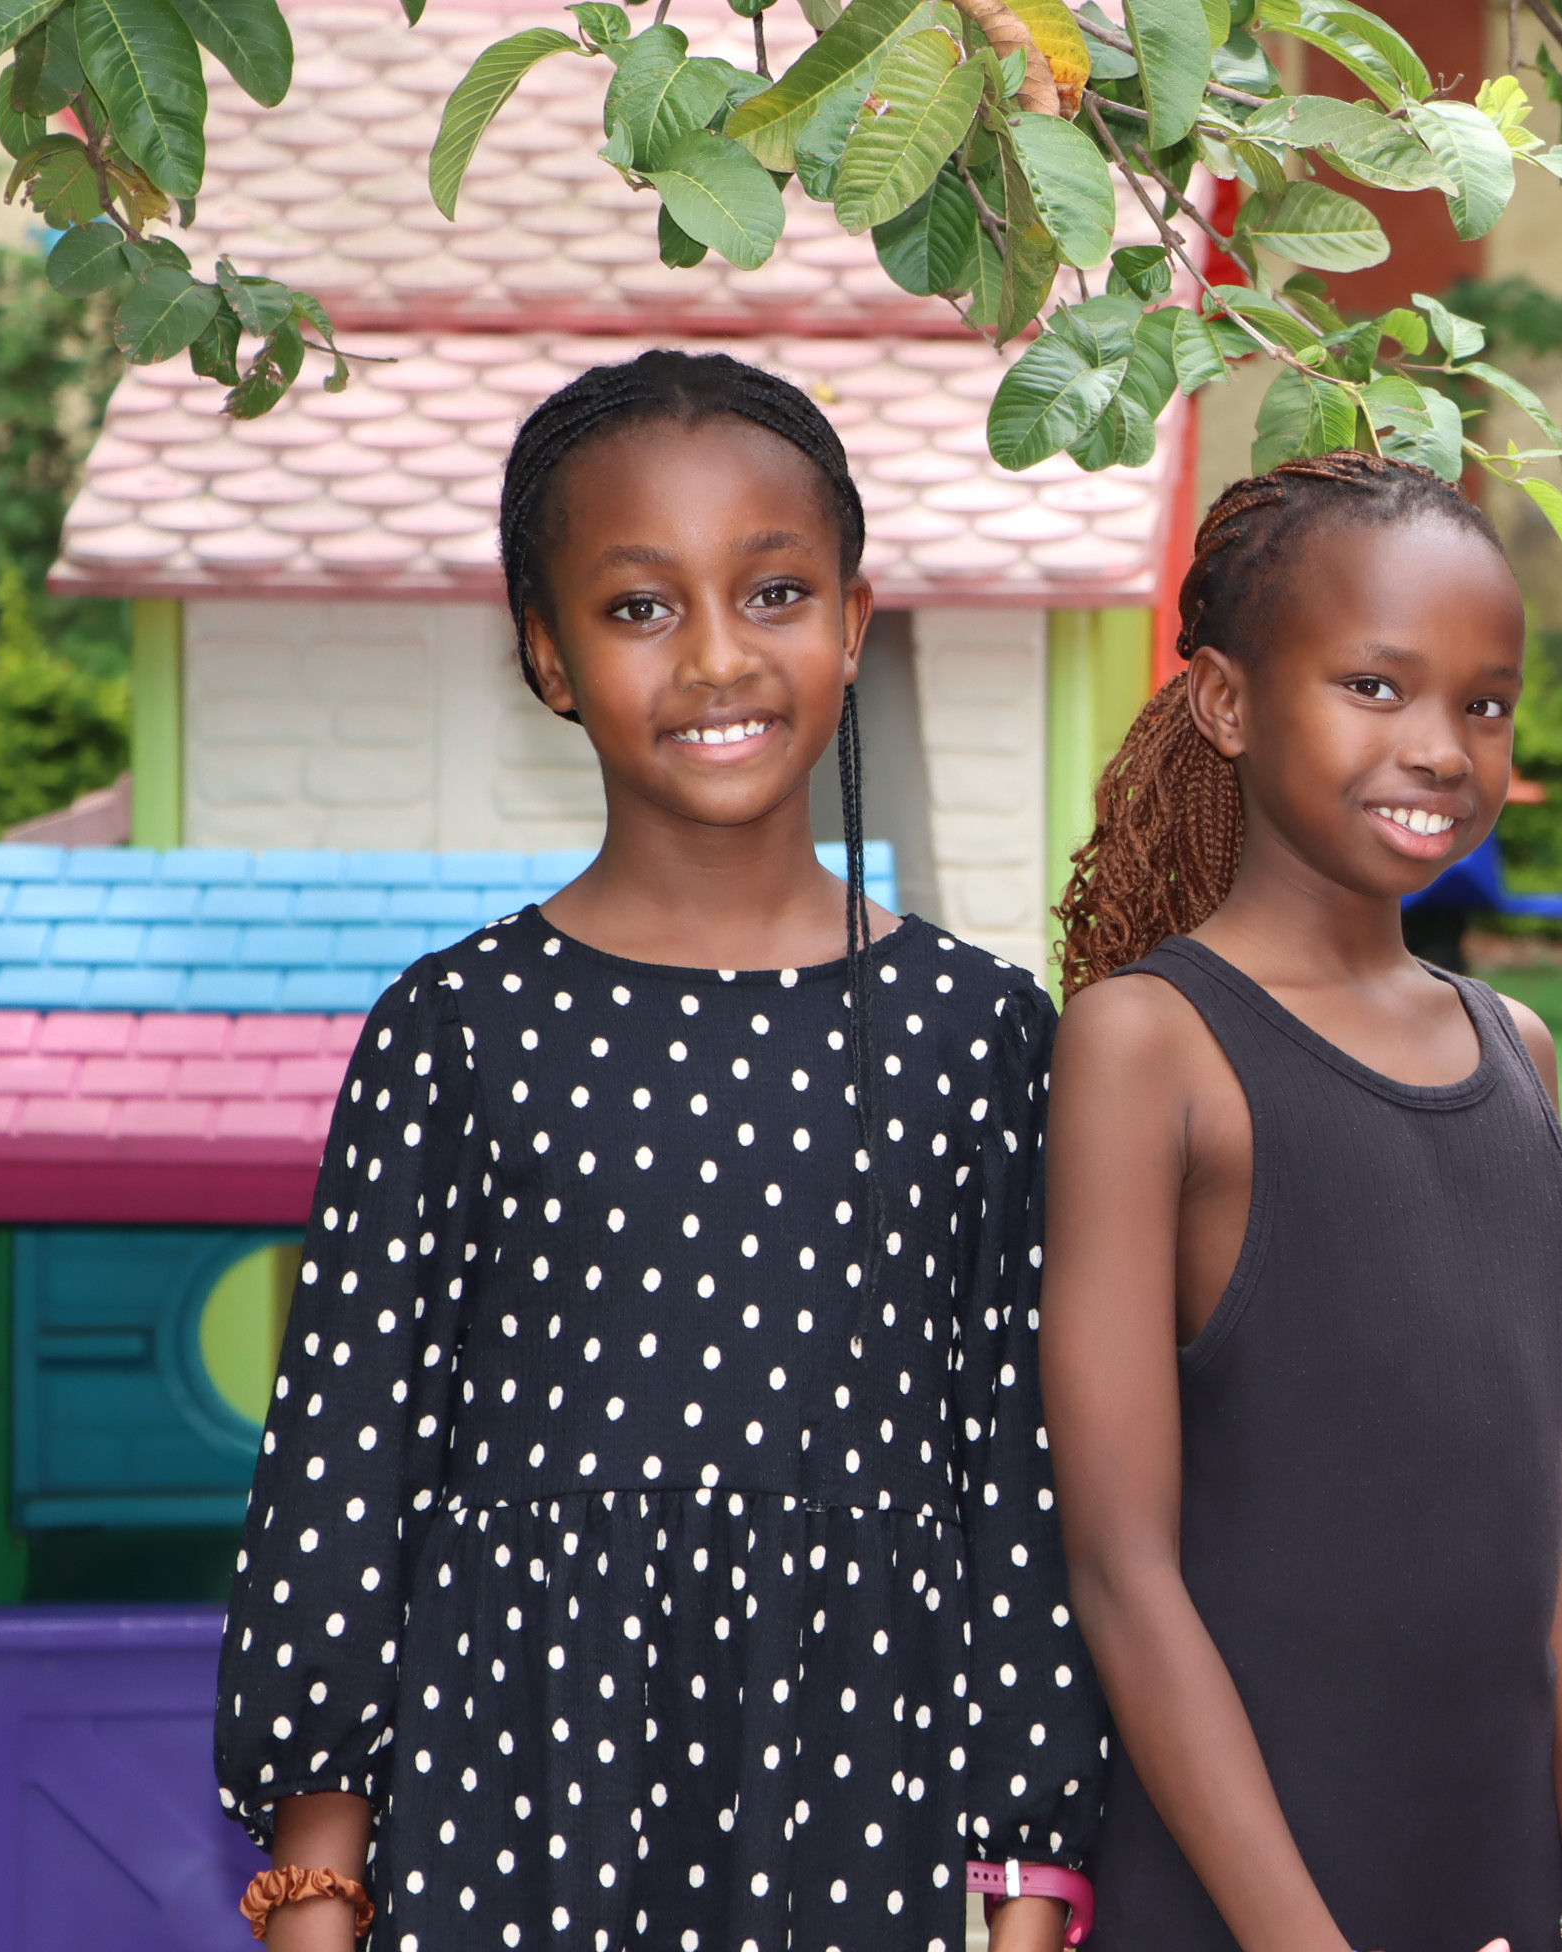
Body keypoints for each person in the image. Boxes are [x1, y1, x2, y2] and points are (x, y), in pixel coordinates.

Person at [214, 351, 1105, 1952]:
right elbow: (342, 1481)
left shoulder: (980, 1036)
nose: (717, 657)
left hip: (863, 1804)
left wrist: (1025, 1881)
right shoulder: (455, 1032)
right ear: (547, 654)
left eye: (774, 592)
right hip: (509, 1802)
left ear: (854, 619)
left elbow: (1022, 1486)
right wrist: (317, 1892)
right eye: (640, 607)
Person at [1037, 453, 1562, 1952]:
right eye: (1375, 687)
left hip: (1492, 1883)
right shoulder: (1150, 1047)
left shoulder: (1517, 1053)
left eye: (1485, 704)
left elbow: (1553, 1530)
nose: (1439, 747)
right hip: (1242, 1899)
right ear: (1227, 702)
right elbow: (1122, 1570)